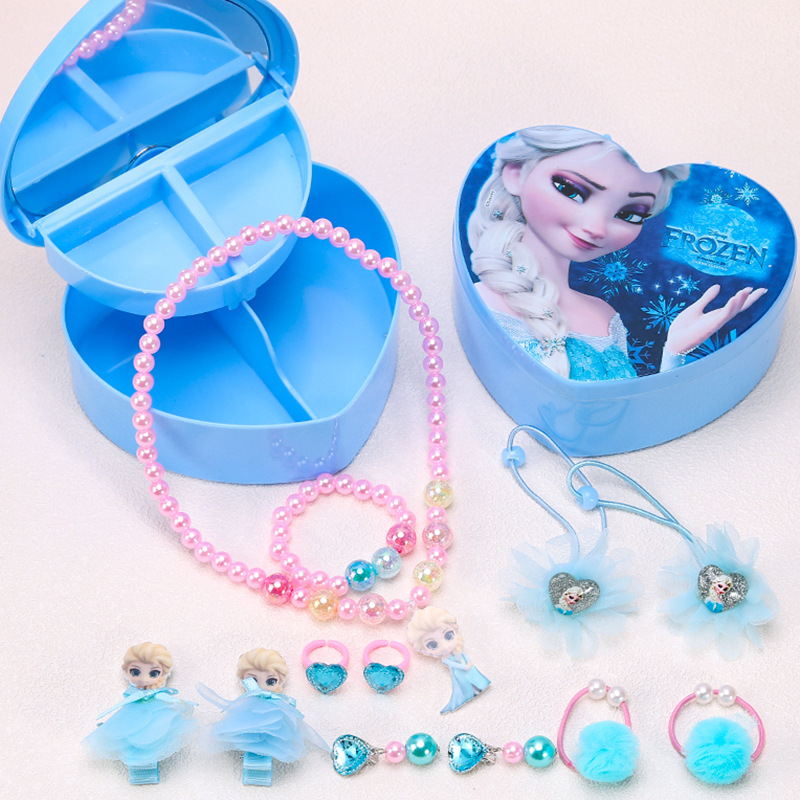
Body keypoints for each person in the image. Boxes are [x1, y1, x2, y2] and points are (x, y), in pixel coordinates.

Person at [468, 126, 765, 380]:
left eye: (629, 214)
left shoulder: (605, 316)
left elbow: (629, 410)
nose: (597, 227)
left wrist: (674, 351)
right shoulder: (485, 301)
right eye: (572, 191)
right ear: (516, 174)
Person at [198, 648, 327, 786]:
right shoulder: (246, 703)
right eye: (253, 679)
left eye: (271, 681)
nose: (262, 685)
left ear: (280, 681)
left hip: (273, 725)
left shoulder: (277, 705)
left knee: (276, 730)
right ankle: (254, 765)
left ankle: (260, 767)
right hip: (247, 722)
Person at [82, 642, 197, 784]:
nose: (144, 679)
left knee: (155, 736)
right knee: (130, 737)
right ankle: (139, 772)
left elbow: (167, 698)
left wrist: (179, 702)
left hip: (156, 716)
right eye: (135, 672)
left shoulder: (157, 696)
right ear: (126, 672)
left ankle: (147, 771)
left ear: (164, 673)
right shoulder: (134, 697)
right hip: (132, 714)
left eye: (154, 673)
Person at [406, 606, 490, 713]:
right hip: (460, 673)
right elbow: (453, 665)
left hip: (468, 667)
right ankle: (470, 693)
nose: (445, 646)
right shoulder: (445, 659)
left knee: (475, 677)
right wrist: (464, 666)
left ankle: (480, 686)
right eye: (433, 645)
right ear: (424, 649)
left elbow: (464, 655)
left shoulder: (457, 650)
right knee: (465, 685)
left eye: (448, 635)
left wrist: (468, 662)